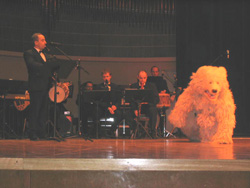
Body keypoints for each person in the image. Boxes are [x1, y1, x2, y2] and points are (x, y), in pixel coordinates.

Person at [23, 33, 57, 140]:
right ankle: (32, 133)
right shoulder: (29, 53)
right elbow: (32, 65)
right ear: (36, 42)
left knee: (43, 111)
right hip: (36, 86)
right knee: (35, 110)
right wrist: (48, 66)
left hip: (46, 86)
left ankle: (41, 132)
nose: (45, 42)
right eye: (42, 40)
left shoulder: (46, 55)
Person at [130, 70, 159, 138]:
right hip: (137, 107)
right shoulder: (134, 86)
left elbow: (156, 99)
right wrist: (135, 109)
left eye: (144, 78)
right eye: (141, 78)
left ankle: (152, 131)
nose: (143, 80)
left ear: (147, 78)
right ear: (138, 77)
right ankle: (136, 131)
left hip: (147, 107)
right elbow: (131, 100)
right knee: (127, 114)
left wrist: (149, 101)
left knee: (153, 110)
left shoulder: (152, 86)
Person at [95, 70, 122, 137]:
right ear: (102, 77)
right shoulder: (99, 87)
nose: (106, 78)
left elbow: (119, 99)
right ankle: (100, 132)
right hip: (103, 107)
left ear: (110, 77)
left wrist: (115, 106)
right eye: (104, 77)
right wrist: (108, 107)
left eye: (107, 76)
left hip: (113, 107)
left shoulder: (115, 87)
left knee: (120, 114)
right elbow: (98, 100)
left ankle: (111, 130)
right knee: (96, 111)